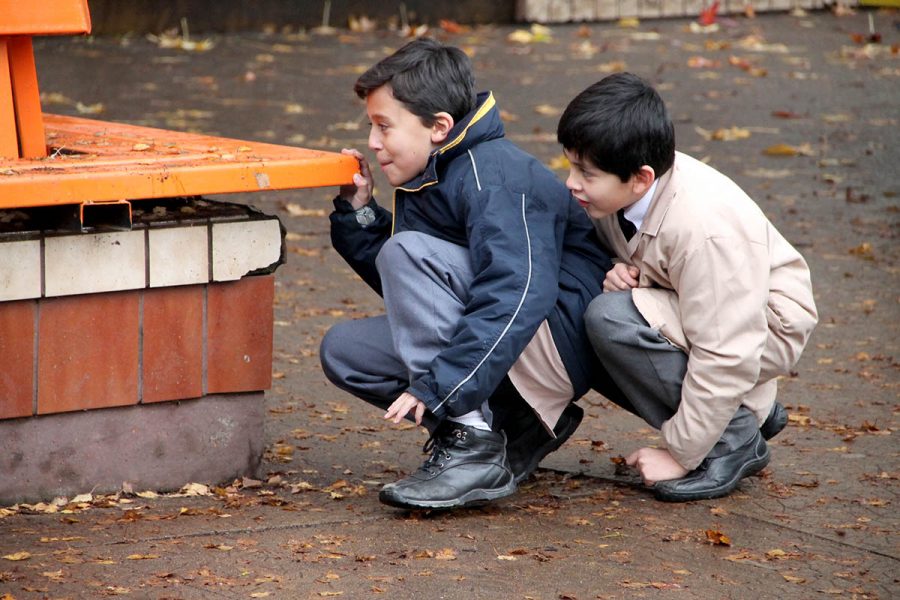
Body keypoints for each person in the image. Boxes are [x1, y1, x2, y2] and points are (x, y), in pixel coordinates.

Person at [319, 38, 624, 510]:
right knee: (347, 352)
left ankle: (472, 443)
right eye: (370, 127)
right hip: (513, 334)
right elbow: (417, 293)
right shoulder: (435, 169)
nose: (373, 142)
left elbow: (518, 291)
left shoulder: (492, 175)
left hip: (555, 334)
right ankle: (515, 422)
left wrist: (443, 388)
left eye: (384, 127)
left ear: (439, 126)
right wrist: (359, 213)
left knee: (409, 252)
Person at [557, 72, 818, 502]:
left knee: (611, 320)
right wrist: (617, 268)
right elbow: (643, 252)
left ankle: (731, 440)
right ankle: (745, 410)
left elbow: (728, 350)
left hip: (763, 328)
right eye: (569, 164)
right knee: (592, 305)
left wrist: (680, 453)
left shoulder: (704, 230)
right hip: (708, 308)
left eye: (585, 172)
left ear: (640, 178)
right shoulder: (618, 190)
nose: (571, 181)